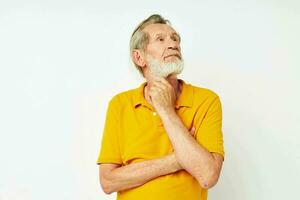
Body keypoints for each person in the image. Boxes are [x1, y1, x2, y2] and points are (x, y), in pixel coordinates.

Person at [96, 14, 225, 200]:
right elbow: (108, 182)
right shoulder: (120, 104)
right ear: (139, 58)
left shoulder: (206, 100)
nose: (173, 44)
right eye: (160, 39)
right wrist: (177, 160)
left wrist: (166, 110)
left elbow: (207, 176)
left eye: (175, 38)